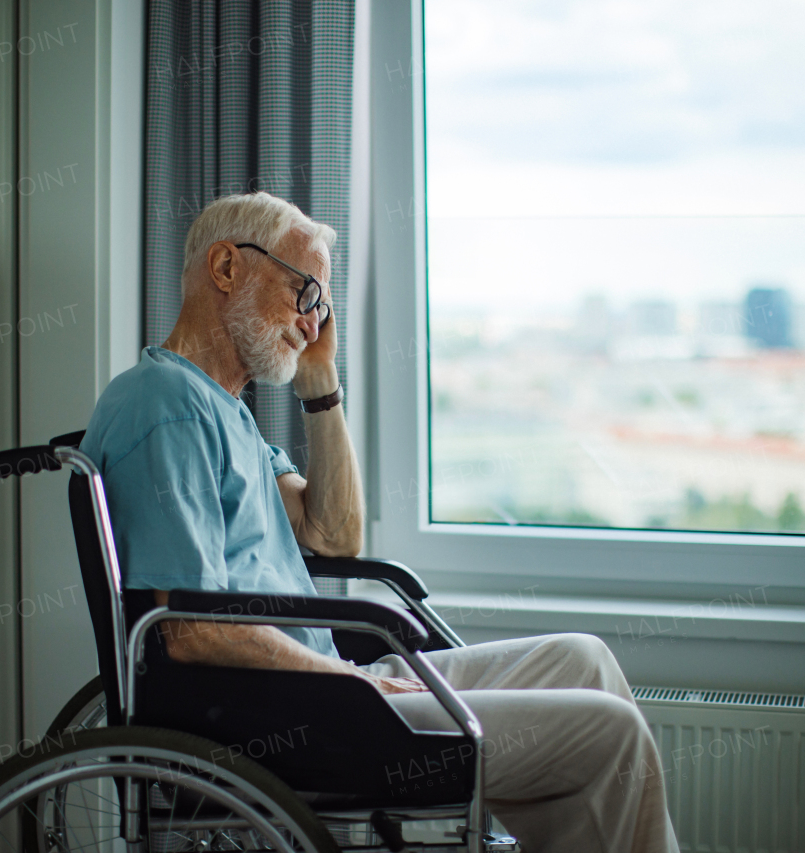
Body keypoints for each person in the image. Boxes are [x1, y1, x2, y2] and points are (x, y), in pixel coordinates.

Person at [78, 191, 680, 853]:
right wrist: (354, 678)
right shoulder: (164, 403)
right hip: (288, 717)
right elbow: (192, 630)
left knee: (584, 659)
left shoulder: (227, 414)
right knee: (608, 733)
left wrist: (320, 380)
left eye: (321, 306)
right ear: (226, 268)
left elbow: (332, 534)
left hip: (323, 689)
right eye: (303, 292)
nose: (312, 322)